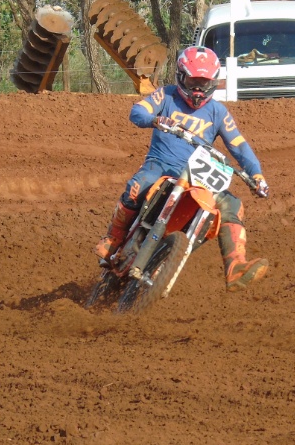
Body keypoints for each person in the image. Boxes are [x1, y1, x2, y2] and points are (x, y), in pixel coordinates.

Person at [94, 45, 271, 292]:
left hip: (198, 176)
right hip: (161, 166)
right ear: (180, 75)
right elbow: (138, 112)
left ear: (213, 82)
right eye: (193, 80)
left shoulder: (218, 112)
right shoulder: (165, 96)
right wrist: (155, 119)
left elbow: (238, 144)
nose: (198, 88)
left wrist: (256, 174)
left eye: (204, 82)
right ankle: (113, 239)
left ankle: (235, 267)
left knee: (233, 205)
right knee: (137, 186)